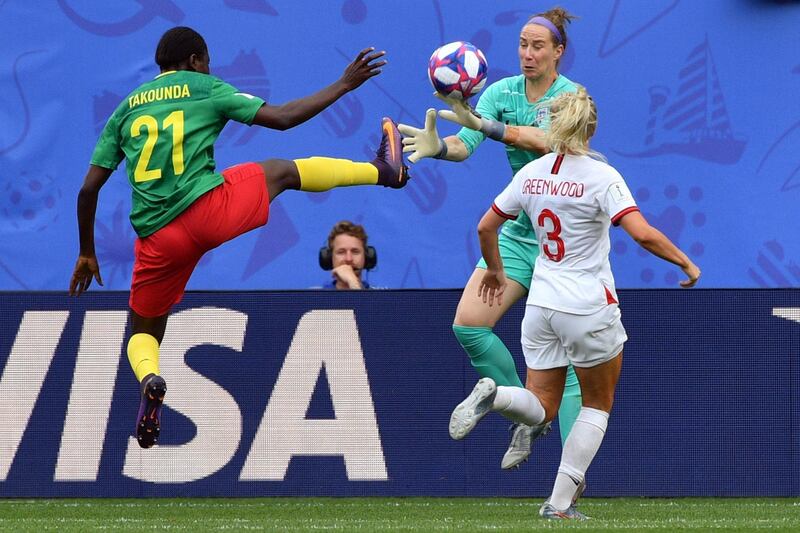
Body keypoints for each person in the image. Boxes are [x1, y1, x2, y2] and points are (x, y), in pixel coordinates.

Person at [68, 26, 409, 449]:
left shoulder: (125, 110)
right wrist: (344, 83)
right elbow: (282, 118)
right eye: (207, 61)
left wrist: (86, 251)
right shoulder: (204, 87)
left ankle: (149, 380)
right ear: (195, 61)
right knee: (282, 172)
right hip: (207, 212)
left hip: (158, 238)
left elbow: (87, 190)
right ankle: (383, 172)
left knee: (143, 331)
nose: (209, 68)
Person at [448, 87, 701, 519]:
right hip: (587, 305)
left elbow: (485, 226)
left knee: (541, 404)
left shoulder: (532, 173)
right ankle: (559, 505)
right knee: (597, 403)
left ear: (551, 126)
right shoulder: (602, 175)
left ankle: (497, 398)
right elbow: (640, 232)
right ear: (593, 127)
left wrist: (494, 269)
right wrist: (686, 263)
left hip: (541, 304)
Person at [398, 7, 583, 471]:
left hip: (568, 241)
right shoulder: (500, 92)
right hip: (523, 232)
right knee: (468, 323)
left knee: (574, 364)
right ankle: (525, 415)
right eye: (522, 44)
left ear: (559, 52)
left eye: (538, 46)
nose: (527, 53)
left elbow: (548, 142)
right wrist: (439, 146)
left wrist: (487, 126)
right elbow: (466, 145)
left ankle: (570, 480)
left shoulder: (573, 97)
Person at [320, 220, 374, 289]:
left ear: (366, 257)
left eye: (355, 252)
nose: (349, 259)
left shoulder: (381, 298)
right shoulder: (313, 298)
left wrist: (353, 283)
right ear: (329, 257)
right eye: (341, 252)